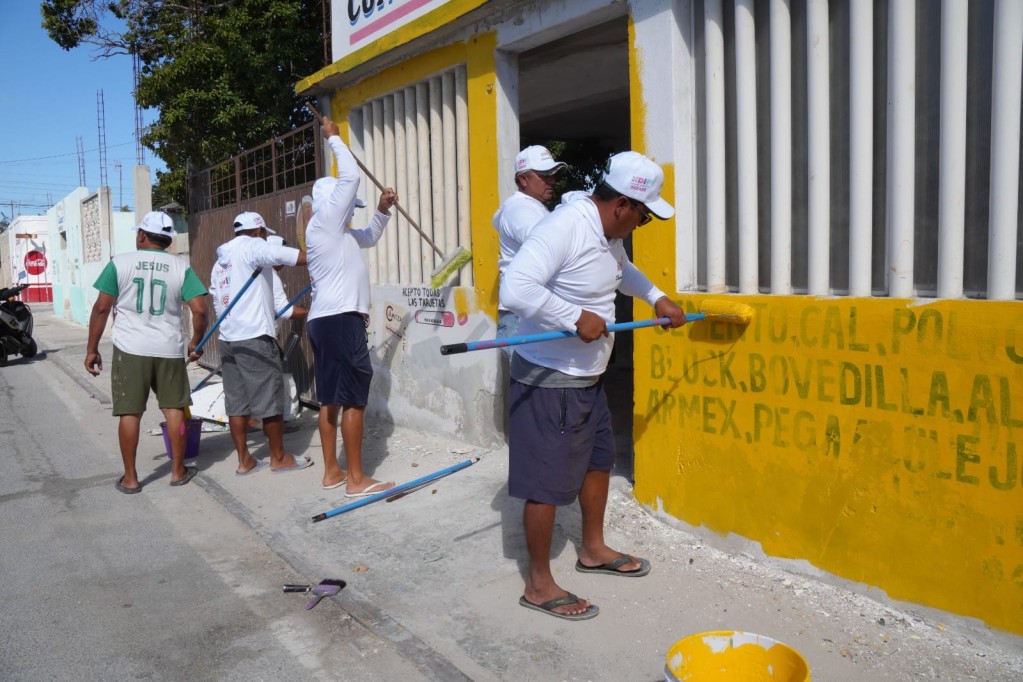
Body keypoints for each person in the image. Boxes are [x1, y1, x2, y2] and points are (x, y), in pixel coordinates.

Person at [500, 151, 688, 620]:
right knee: (545, 482)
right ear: (622, 204)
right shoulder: (566, 226)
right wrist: (572, 317)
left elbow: (622, 272)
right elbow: (516, 290)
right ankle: (539, 584)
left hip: (589, 375)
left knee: (597, 462)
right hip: (550, 378)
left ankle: (593, 549)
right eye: (643, 215)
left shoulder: (609, 234)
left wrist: (657, 298)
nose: (642, 223)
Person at [305, 114, 398, 496]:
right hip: (342, 319)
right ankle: (356, 479)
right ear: (334, 202)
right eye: (351, 206)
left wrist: (382, 209)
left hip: (326, 320)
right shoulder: (326, 221)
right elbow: (351, 177)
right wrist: (334, 138)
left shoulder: (334, 232)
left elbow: (370, 237)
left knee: (330, 397)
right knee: (354, 398)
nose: (352, 211)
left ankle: (332, 472)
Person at [84, 211, 209, 493]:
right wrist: (196, 341)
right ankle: (178, 471)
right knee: (174, 408)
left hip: (130, 349)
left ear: (141, 235)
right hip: (168, 349)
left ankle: (130, 478)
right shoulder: (181, 268)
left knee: (130, 412)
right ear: (168, 240)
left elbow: (101, 308)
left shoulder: (120, 264)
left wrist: (92, 349)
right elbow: (200, 309)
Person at [211, 211, 311, 476]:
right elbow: (288, 257)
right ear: (258, 231)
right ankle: (279, 458)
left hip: (228, 338)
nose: (266, 238)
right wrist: (325, 255)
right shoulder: (252, 246)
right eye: (265, 233)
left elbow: (216, 301)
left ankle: (245, 461)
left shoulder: (221, 261)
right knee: (270, 400)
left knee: (237, 403)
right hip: (254, 336)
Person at [492, 145, 567, 355]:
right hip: (521, 317)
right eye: (544, 175)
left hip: (529, 312)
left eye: (553, 175)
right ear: (524, 179)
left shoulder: (535, 207)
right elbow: (549, 247)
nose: (552, 180)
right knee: (525, 386)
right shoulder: (520, 209)